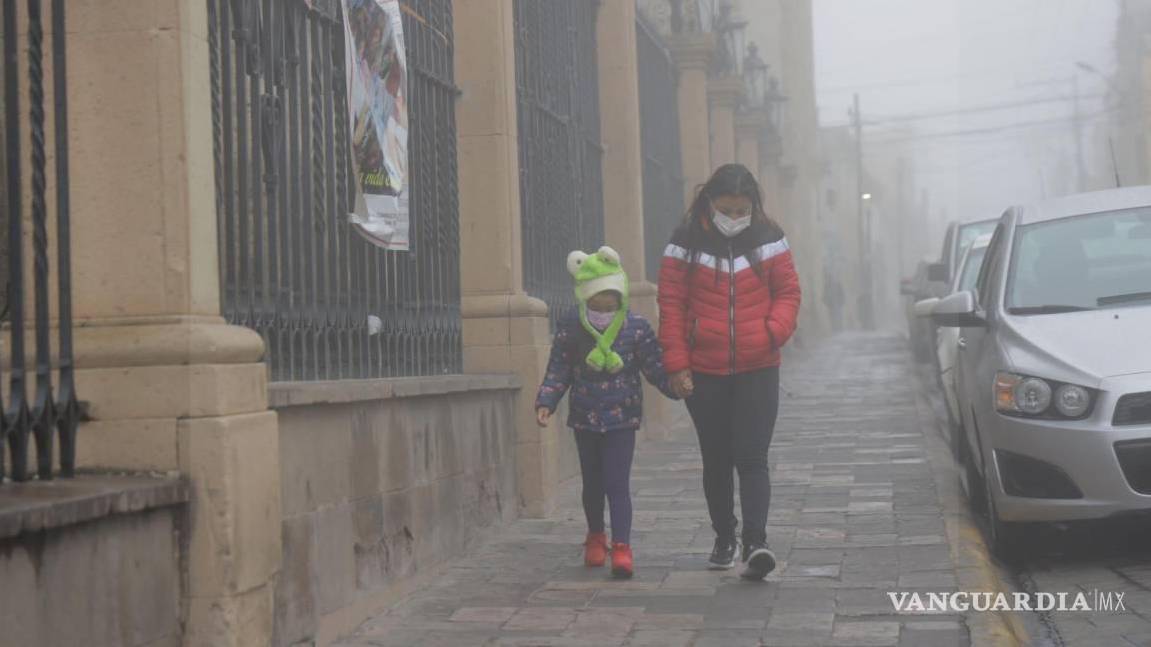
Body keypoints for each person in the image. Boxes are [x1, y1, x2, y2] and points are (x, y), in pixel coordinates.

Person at [657, 163, 802, 581]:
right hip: (705, 372)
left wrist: (772, 332)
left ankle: (756, 543)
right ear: (709, 202)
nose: (735, 218)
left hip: (759, 368)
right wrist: (677, 365)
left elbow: (789, 292)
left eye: (742, 210)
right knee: (716, 458)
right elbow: (671, 306)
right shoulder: (683, 244)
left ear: (753, 206)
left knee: (753, 456)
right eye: (727, 209)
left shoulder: (770, 240)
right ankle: (725, 536)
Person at [536, 246, 679, 579]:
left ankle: (623, 546)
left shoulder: (637, 327)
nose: (605, 304)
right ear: (586, 296)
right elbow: (559, 367)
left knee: (618, 483)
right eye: (598, 297)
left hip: (622, 418)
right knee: (592, 483)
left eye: (612, 296)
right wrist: (547, 400)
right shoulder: (572, 325)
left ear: (621, 294)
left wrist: (676, 387)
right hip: (585, 417)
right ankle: (596, 536)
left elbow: (653, 366)